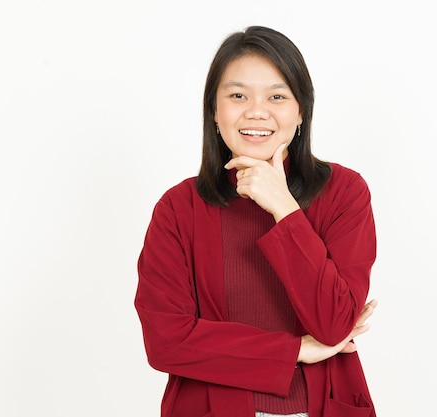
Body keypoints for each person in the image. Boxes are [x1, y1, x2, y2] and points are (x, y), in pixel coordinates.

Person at [135, 25, 378, 417]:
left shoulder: (344, 193)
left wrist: (284, 208)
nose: (256, 111)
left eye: (277, 96)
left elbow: (334, 324)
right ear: (214, 111)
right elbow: (166, 340)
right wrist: (297, 350)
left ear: (301, 111)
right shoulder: (179, 208)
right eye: (237, 95)